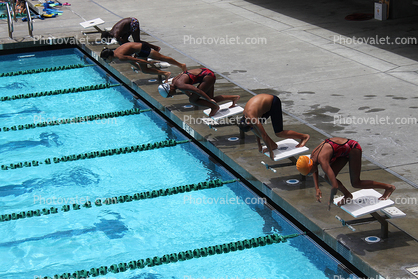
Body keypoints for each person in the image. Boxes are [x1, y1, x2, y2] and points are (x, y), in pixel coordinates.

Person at [296, 137, 396, 209]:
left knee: (356, 183)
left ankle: (389, 187)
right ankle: (348, 195)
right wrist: (317, 188)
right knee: (327, 177)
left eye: (309, 173)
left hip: (353, 149)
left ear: (310, 166)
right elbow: (314, 169)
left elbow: (334, 185)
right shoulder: (313, 157)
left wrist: (330, 199)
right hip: (341, 153)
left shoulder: (322, 160)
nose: (310, 174)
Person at [238, 94, 310, 160]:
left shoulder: (252, 117)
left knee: (279, 133)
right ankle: (273, 145)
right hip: (264, 107)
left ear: (247, 122)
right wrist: (259, 145)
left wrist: (270, 152)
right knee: (257, 128)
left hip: (273, 102)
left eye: (251, 126)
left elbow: (264, 135)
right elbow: (255, 129)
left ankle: (304, 137)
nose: (252, 127)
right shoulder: (246, 115)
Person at [158, 68, 240, 117]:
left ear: (170, 90)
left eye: (170, 95)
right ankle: (234, 97)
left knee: (193, 100)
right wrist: (208, 99)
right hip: (207, 74)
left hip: (208, 77)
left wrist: (208, 99)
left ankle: (214, 107)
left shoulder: (179, 85)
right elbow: (187, 91)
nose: (172, 96)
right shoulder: (174, 81)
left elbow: (196, 90)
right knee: (210, 99)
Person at [100, 42, 187, 83]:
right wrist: (138, 67)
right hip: (139, 50)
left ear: (109, 57)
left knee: (162, 58)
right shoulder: (116, 53)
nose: (105, 61)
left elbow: (136, 60)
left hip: (142, 49)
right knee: (144, 70)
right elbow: (131, 60)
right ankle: (166, 73)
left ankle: (181, 65)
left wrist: (149, 63)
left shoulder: (120, 57)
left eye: (105, 59)